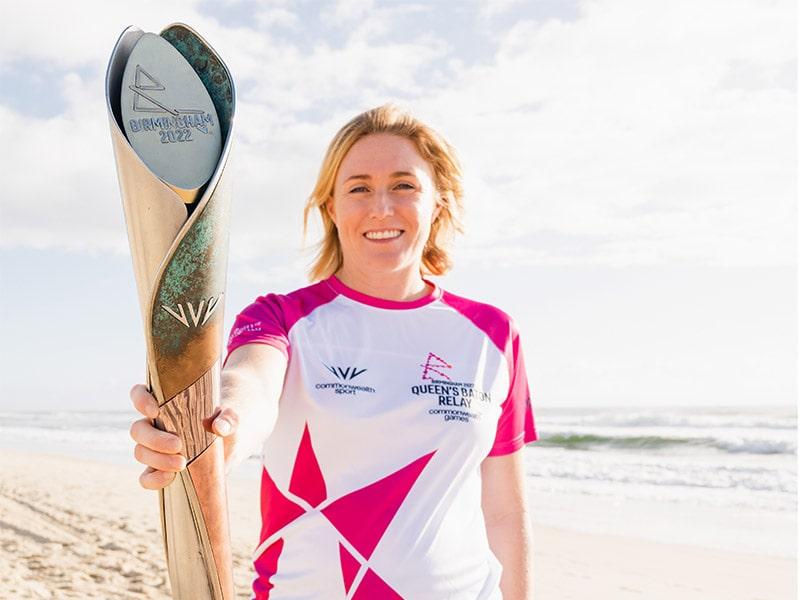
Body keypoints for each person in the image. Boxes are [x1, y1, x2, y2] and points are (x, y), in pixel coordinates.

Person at [129, 104, 538, 600]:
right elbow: (250, 385)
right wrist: (217, 431)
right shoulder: (282, 317)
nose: (381, 207)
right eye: (359, 187)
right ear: (331, 208)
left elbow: (504, 511)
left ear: (440, 202)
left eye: (404, 185)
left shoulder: (492, 334)